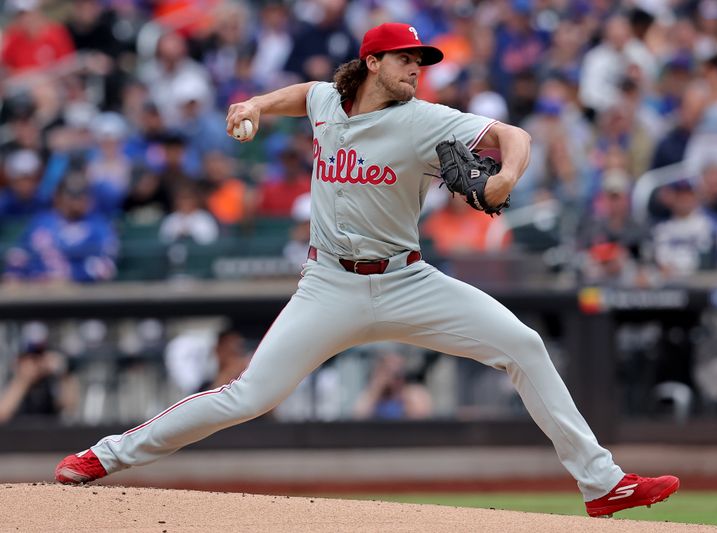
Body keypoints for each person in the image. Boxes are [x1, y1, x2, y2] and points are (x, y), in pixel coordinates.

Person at [54, 22, 679, 518]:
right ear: (373, 63)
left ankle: (603, 483)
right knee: (251, 394)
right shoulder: (331, 101)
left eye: (423, 60)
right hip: (329, 285)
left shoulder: (424, 118)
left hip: (408, 281)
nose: (417, 68)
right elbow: (305, 95)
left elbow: (513, 136)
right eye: (407, 59)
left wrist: (504, 179)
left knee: (523, 344)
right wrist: (254, 102)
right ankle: (102, 458)